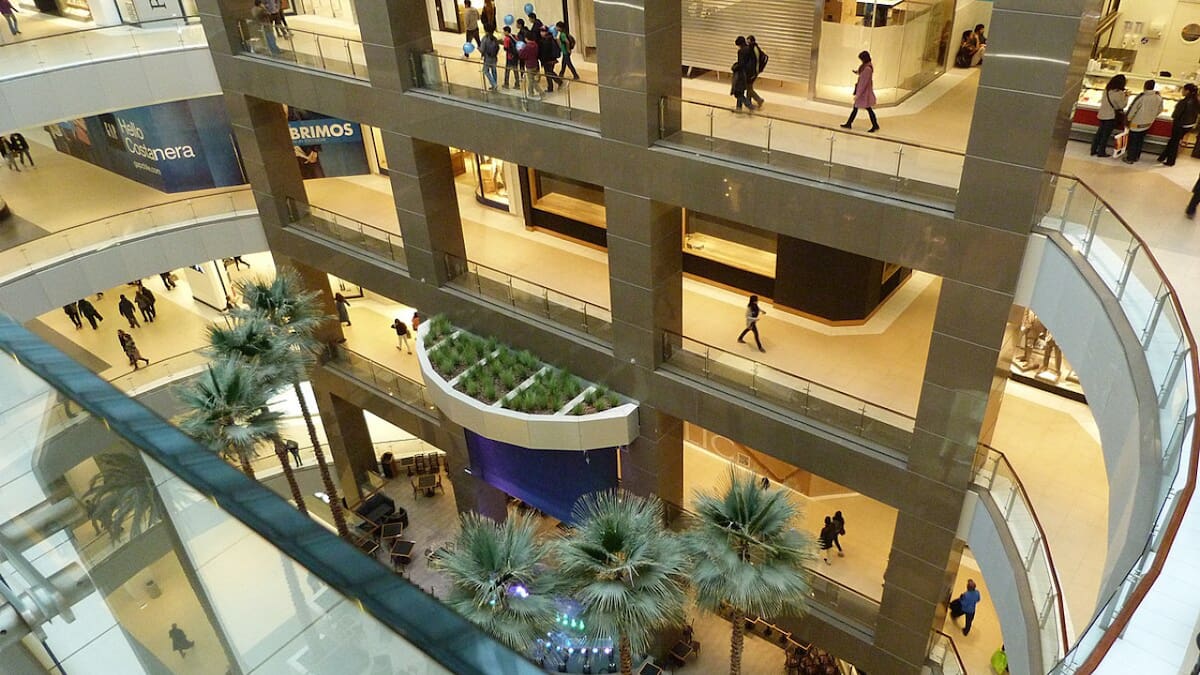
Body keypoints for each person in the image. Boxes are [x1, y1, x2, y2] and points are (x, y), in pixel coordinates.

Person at [1124, 79, 1163, 164]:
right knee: (1140, 141)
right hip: (1147, 124)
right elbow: (1160, 110)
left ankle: (1130, 158)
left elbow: (1133, 109)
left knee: (1133, 141)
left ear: (1145, 86)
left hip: (1136, 123)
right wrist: (1152, 116)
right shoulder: (1158, 97)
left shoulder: (1142, 97)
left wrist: (1129, 119)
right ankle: (1136, 156)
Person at [1160, 83, 1199, 166]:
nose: (1182, 91)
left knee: (1174, 142)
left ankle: (1170, 161)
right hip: (1189, 125)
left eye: (1183, 90)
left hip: (1180, 124)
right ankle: (1162, 157)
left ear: (1187, 91)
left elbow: (1176, 114)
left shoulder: (1184, 102)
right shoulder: (1196, 101)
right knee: (1173, 141)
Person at [840, 51, 878, 133]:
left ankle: (874, 125)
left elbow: (863, 83)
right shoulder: (867, 66)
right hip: (864, 92)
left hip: (864, 93)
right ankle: (850, 123)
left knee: (865, 108)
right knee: (862, 108)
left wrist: (858, 94)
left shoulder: (867, 68)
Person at [1091, 74, 1128, 157]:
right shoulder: (1119, 93)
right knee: (1105, 135)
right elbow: (1121, 106)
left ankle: (1093, 149)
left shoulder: (1107, 90)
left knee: (1099, 133)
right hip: (1110, 116)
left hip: (1102, 114)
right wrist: (1127, 97)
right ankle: (1101, 152)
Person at [731, 36, 757, 112]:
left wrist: (734, 67)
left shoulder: (741, 51)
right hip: (749, 73)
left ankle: (749, 106)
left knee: (738, 93)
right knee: (741, 91)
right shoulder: (749, 49)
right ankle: (738, 108)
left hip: (741, 74)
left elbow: (741, 64)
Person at [746, 35, 768, 108]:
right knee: (749, 86)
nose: (747, 43)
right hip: (755, 71)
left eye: (748, 41)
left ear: (751, 41)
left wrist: (753, 73)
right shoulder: (755, 48)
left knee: (748, 87)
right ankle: (748, 102)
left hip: (753, 72)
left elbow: (754, 62)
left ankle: (759, 100)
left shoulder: (753, 49)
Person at [537, 26, 561, 93]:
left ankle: (555, 85)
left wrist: (542, 61)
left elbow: (544, 52)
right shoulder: (551, 38)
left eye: (542, 31)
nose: (541, 33)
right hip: (552, 59)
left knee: (548, 73)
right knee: (550, 72)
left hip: (548, 60)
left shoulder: (545, 41)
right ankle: (553, 85)